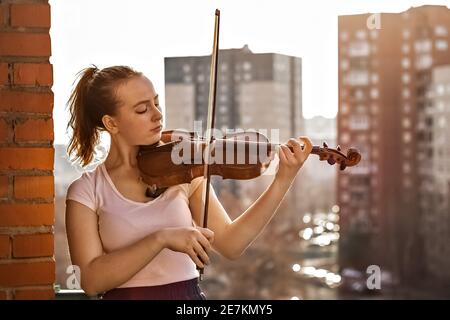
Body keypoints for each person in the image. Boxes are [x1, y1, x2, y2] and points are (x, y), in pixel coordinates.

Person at [65, 65, 313, 300]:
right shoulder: (87, 190)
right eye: (142, 109)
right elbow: (90, 280)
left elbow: (231, 244)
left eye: (156, 102)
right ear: (111, 123)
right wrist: (161, 238)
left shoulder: (183, 168)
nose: (158, 114)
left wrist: (283, 179)